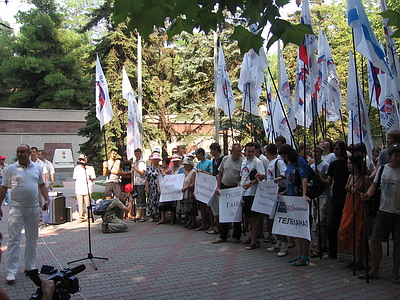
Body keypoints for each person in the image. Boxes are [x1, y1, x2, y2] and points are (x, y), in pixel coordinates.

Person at [0, 144, 50, 284]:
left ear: (29, 153)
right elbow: (3, 188)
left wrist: (47, 199)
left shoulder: (37, 168)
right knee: (14, 240)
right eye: (18, 152)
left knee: (32, 239)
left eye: (22, 152)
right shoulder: (11, 169)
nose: (20, 154)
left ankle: (30, 267)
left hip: (33, 208)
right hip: (17, 209)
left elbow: (42, 185)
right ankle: (11, 271)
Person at [359, 144, 400, 283]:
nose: (398, 158)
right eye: (396, 155)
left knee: (397, 243)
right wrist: (367, 195)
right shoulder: (382, 169)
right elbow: (374, 185)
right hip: (383, 211)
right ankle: (374, 270)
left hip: (398, 214)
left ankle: (396, 273)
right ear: (390, 156)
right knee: (376, 240)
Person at [278, 144, 310, 266]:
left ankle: (305, 255)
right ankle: (300, 254)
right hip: (291, 198)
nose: (284, 158)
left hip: (299, 199)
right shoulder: (290, 163)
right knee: (297, 229)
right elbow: (291, 181)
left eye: (284, 155)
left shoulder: (300, 160)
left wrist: (304, 194)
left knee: (303, 228)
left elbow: (304, 178)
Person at [337, 155, 371, 267]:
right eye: (347, 163)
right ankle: (350, 256)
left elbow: (369, 193)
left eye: (350, 163)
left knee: (358, 230)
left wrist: (357, 192)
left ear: (356, 166)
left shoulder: (364, 178)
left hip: (359, 206)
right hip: (349, 205)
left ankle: (360, 258)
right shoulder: (350, 176)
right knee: (345, 228)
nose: (348, 165)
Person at [257, 144, 288, 256]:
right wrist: (264, 176)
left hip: (279, 192)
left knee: (279, 219)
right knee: (273, 219)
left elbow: (285, 173)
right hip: (271, 194)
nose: (264, 153)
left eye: (265, 151)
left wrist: (279, 178)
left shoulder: (278, 162)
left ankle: (284, 244)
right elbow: (270, 177)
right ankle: (278, 242)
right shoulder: (270, 163)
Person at [323, 140, 350, 259]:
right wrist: (318, 178)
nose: (335, 151)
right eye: (334, 149)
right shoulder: (333, 164)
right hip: (336, 196)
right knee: (332, 226)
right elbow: (329, 181)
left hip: (348, 196)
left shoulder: (349, 163)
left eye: (337, 149)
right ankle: (332, 251)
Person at [213, 144, 243, 244]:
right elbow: (220, 173)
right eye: (237, 151)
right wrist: (218, 187)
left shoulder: (242, 161)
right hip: (225, 187)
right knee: (224, 212)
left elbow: (243, 176)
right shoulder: (225, 159)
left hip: (235, 188)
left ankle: (236, 236)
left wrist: (239, 185)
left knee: (236, 212)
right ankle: (223, 235)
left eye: (240, 151)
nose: (239, 153)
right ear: (232, 151)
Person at [241, 142, 265, 250]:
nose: (250, 153)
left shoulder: (257, 162)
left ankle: (254, 240)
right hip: (244, 192)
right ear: (245, 151)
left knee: (253, 217)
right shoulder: (244, 161)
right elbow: (242, 175)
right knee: (248, 216)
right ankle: (252, 236)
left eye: (252, 151)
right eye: (248, 151)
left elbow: (261, 177)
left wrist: (250, 183)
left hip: (253, 192)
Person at [309, 145, 330, 255]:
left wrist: (319, 177)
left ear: (321, 153)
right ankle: (318, 243)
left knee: (321, 221)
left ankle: (322, 245)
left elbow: (328, 182)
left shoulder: (325, 165)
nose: (314, 153)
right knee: (316, 220)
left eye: (317, 151)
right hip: (314, 196)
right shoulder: (311, 166)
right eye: (313, 151)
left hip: (324, 195)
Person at [73, 154, 96, 222]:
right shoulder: (77, 168)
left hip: (87, 188)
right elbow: (75, 178)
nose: (81, 161)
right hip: (79, 188)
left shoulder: (90, 168)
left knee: (88, 204)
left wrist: (89, 178)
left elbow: (93, 177)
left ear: (86, 160)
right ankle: (81, 217)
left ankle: (89, 216)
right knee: (80, 204)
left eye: (82, 159)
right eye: (80, 160)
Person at [195, 148, 213, 231]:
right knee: (202, 207)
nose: (196, 156)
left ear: (201, 153)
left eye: (197, 154)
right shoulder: (198, 164)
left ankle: (211, 224)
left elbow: (212, 173)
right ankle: (203, 223)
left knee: (208, 207)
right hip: (201, 188)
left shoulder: (209, 162)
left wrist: (202, 172)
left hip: (208, 187)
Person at [158, 156, 180, 224]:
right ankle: (162, 218)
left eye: (163, 162)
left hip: (169, 190)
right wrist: (158, 188)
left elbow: (173, 179)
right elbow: (158, 180)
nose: (162, 164)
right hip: (163, 189)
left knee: (171, 205)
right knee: (162, 204)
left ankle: (172, 219)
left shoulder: (171, 171)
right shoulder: (160, 171)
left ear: (167, 163)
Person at [145, 152, 162, 222]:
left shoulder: (161, 168)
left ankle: (159, 215)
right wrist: (147, 187)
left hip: (160, 187)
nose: (155, 160)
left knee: (159, 201)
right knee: (151, 201)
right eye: (154, 159)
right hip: (152, 187)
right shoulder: (149, 168)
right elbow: (146, 179)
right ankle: (152, 215)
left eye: (157, 159)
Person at [182, 157, 197, 229]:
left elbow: (193, 183)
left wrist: (187, 187)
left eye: (186, 165)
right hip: (186, 192)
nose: (185, 166)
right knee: (188, 208)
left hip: (190, 192)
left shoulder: (193, 172)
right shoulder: (187, 173)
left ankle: (193, 222)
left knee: (192, 208)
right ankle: (190, 221)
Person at [132, 148, 147, 222]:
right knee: (138, 199)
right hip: (136, 182)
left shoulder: (142, 162)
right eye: (136, 154)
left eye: (138, 154)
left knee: (142, 199)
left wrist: (135, 168)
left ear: (140, 154)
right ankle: (139, 214)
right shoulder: (135, 161)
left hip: (141, 182)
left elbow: (142, 172)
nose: (137, 155)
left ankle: (143, 215)